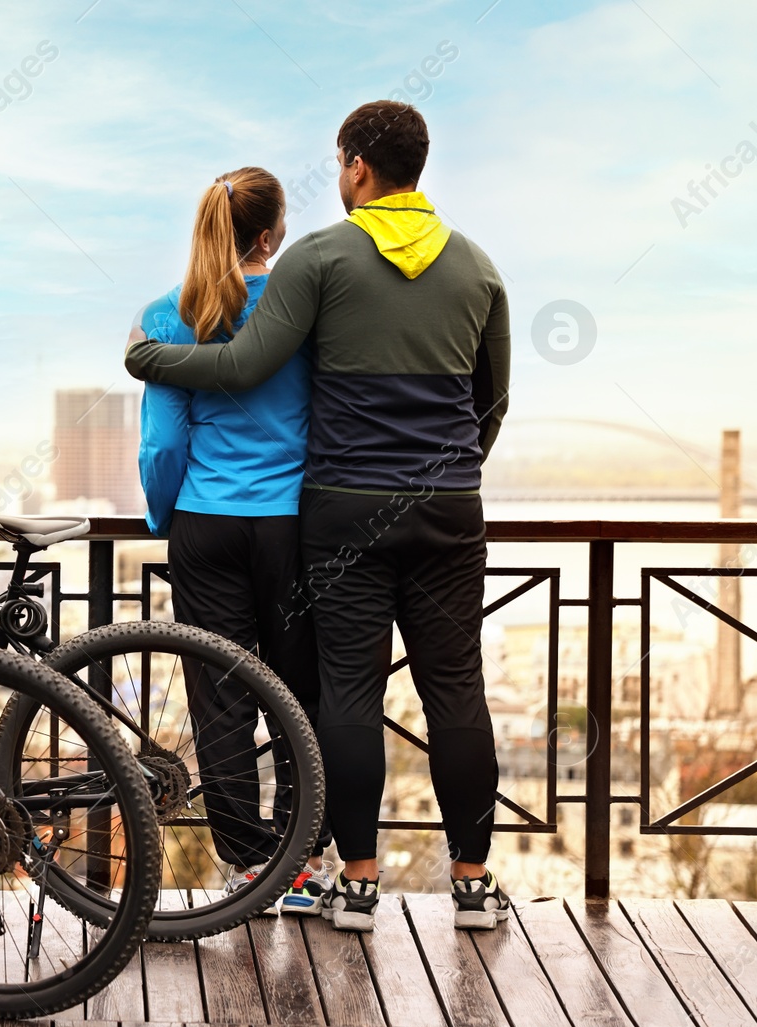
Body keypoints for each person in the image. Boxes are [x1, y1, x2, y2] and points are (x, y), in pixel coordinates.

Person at [125, 100, 512, 932]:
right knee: (451, 687)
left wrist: (147, 357)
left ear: (357, 166)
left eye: (340, 164)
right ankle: (473, 881)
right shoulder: (478, 266)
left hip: (325, 513)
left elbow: (238, 369)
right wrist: (451, 468)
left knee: (337, 689)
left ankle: (349, 878)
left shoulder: (319, 261)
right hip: (424, 506)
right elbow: (494, 398)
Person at [133, 166, 332, 915]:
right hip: (293, 526)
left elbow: (162, 444)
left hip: (206, 523)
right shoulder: (303, 308)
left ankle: (248, 868)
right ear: (271, 232)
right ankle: (304, 863)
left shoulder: (168, 313)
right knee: (299, 693)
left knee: (221, 698)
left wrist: (168, 514)